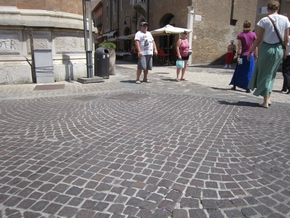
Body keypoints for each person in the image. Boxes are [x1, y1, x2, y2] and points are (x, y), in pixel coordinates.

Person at [247, 0, 290, 108]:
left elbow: (259, 39)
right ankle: (268, 98)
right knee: (272, 74)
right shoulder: (285, 19)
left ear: (268, 8)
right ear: (278, 8)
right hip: (279, 48)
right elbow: (286, 38)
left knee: (264, 73)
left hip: (267, 48)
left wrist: (251, 50)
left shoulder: (264, 20)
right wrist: (285, 50)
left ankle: (265, 101)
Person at [229, 20, 257, 93]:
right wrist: (256, 55)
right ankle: (248, 87)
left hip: (243, 55)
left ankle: (235, 84)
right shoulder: (253, 35)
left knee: (238, 70)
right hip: (251, 56)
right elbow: (255, 46)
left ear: (243, 26)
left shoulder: (240, 35)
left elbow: (240, 47)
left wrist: (238, 56)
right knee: (249, 71)